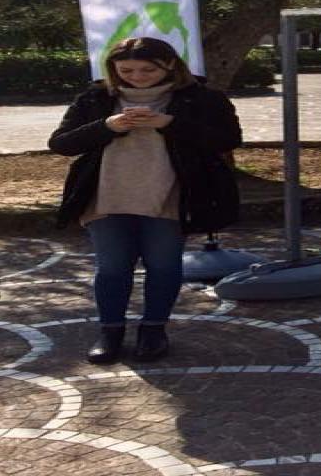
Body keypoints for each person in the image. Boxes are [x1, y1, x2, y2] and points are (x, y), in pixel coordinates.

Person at [48, 37, 242, 365]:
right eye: (126, 70)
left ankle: (153, 330)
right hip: (107, 196)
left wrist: (170, 124)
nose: (137, 76)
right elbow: (62, 143)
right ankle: (110, 332)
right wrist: (107, 126)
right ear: (112, 69)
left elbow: (228, 139)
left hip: (170, 195)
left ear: (170, 65)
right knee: (111, 268)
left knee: (164, 266)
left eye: (147, 69)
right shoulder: (96, 97)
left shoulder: (202, 97)